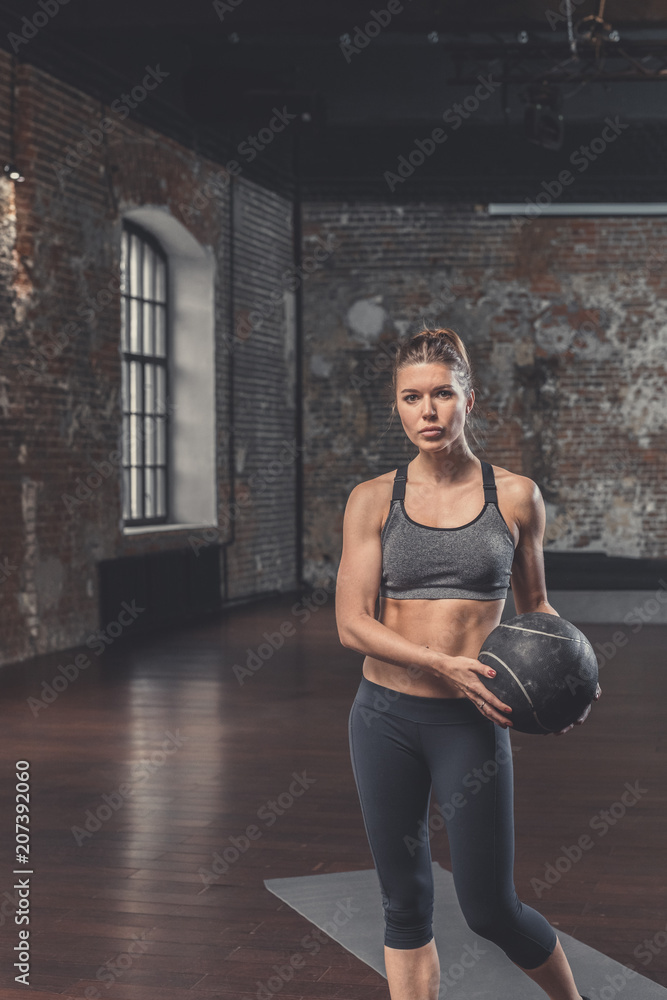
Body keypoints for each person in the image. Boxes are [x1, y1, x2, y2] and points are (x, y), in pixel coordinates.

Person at [335, 327, 601, 1000]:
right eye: (411, 397)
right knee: (404, 902)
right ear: (396, 406)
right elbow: (350, 623)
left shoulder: (514, 497)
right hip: (383, 718)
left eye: (441, 395)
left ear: (468, 400)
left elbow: (538, 610)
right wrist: (438, 662)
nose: (426, 411)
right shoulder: (372, 499)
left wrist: (572, 683)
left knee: (489, 910)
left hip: (471, 722)